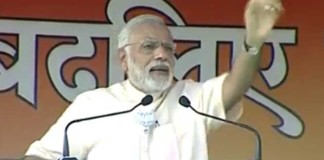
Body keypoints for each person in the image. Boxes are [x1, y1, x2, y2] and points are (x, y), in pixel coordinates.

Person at [23, 0, 283, 159]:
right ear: (123, 59)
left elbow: (235, 87)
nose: (161, 55)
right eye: (149, 46)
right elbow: (41, 156)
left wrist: (254, 41)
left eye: (168, 48)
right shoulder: (92, 106)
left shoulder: (189, 99)